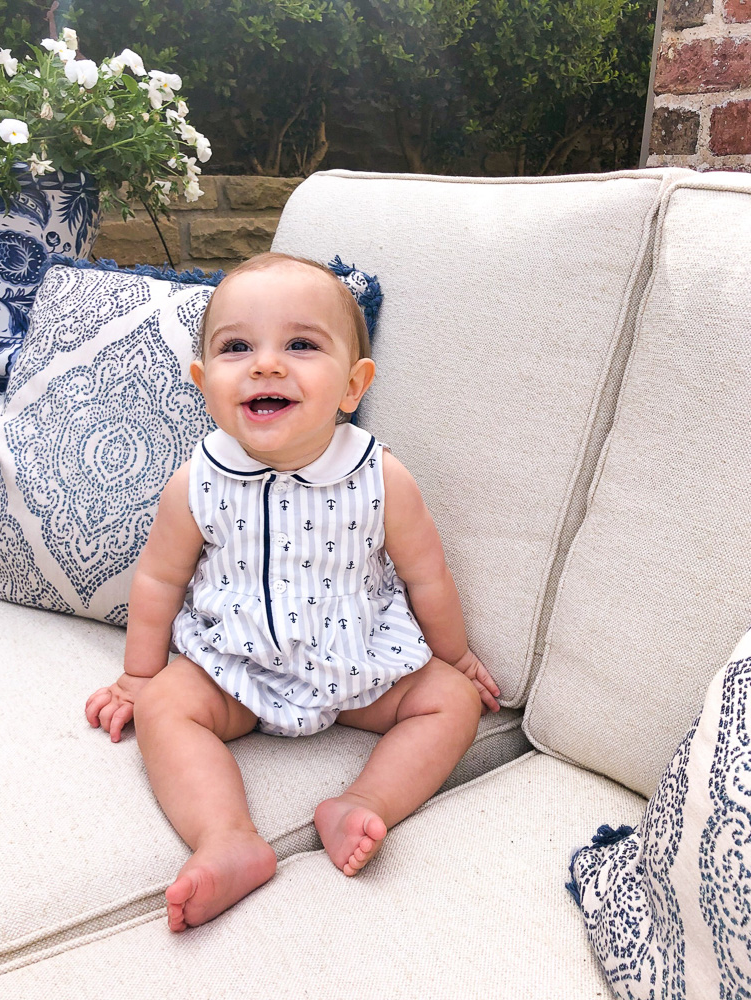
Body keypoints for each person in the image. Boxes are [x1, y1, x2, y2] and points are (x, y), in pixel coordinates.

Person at [85, 252, 500, 933]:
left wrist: (453, 659)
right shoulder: (198, 482)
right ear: (203, 383)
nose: (266, 364)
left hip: (359, 665)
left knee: (450, 703)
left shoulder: (381, 478)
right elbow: (159, 579)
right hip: (234, 671)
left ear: (352, 384)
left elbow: (430, 577)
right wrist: (137, 675)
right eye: (236, 347)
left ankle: (361, 804)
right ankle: (227, 838)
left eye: (301, 345)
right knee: (165, 706)